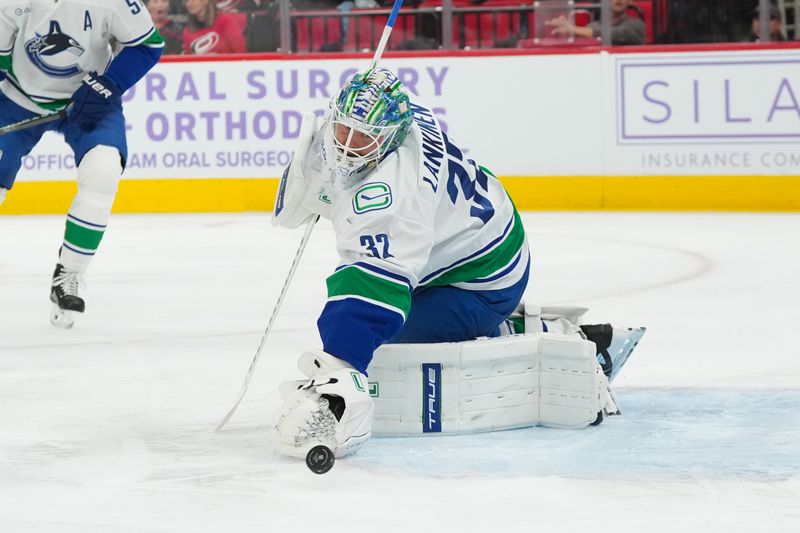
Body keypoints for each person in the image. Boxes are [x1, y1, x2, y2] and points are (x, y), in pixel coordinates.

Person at [269, 68, 643, 460]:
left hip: (483, 279)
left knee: (387, 339)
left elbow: (372, 292)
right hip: (479, 233)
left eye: (364, 136)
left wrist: (340, 368)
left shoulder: (395, 199)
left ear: (390, 137)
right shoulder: (403, 113)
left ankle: (552, 334)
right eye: (343, 128)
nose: (347, 145)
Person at [0, 0, 164, 328]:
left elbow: (147, 45)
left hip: (89, 100)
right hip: (18, 97)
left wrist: (108, 84)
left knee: (103, 170)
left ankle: (70, 274)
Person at [546, 0, 646, 45]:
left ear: (630, 1)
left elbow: (621, 34)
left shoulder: (637, 25)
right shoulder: (592, 27)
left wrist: (573, 28)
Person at [181, 0, 246, 54]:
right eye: (186, 1)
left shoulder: (225, 20)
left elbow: (241, 51)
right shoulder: (187, 31)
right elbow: (188, 59)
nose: (189, 4)